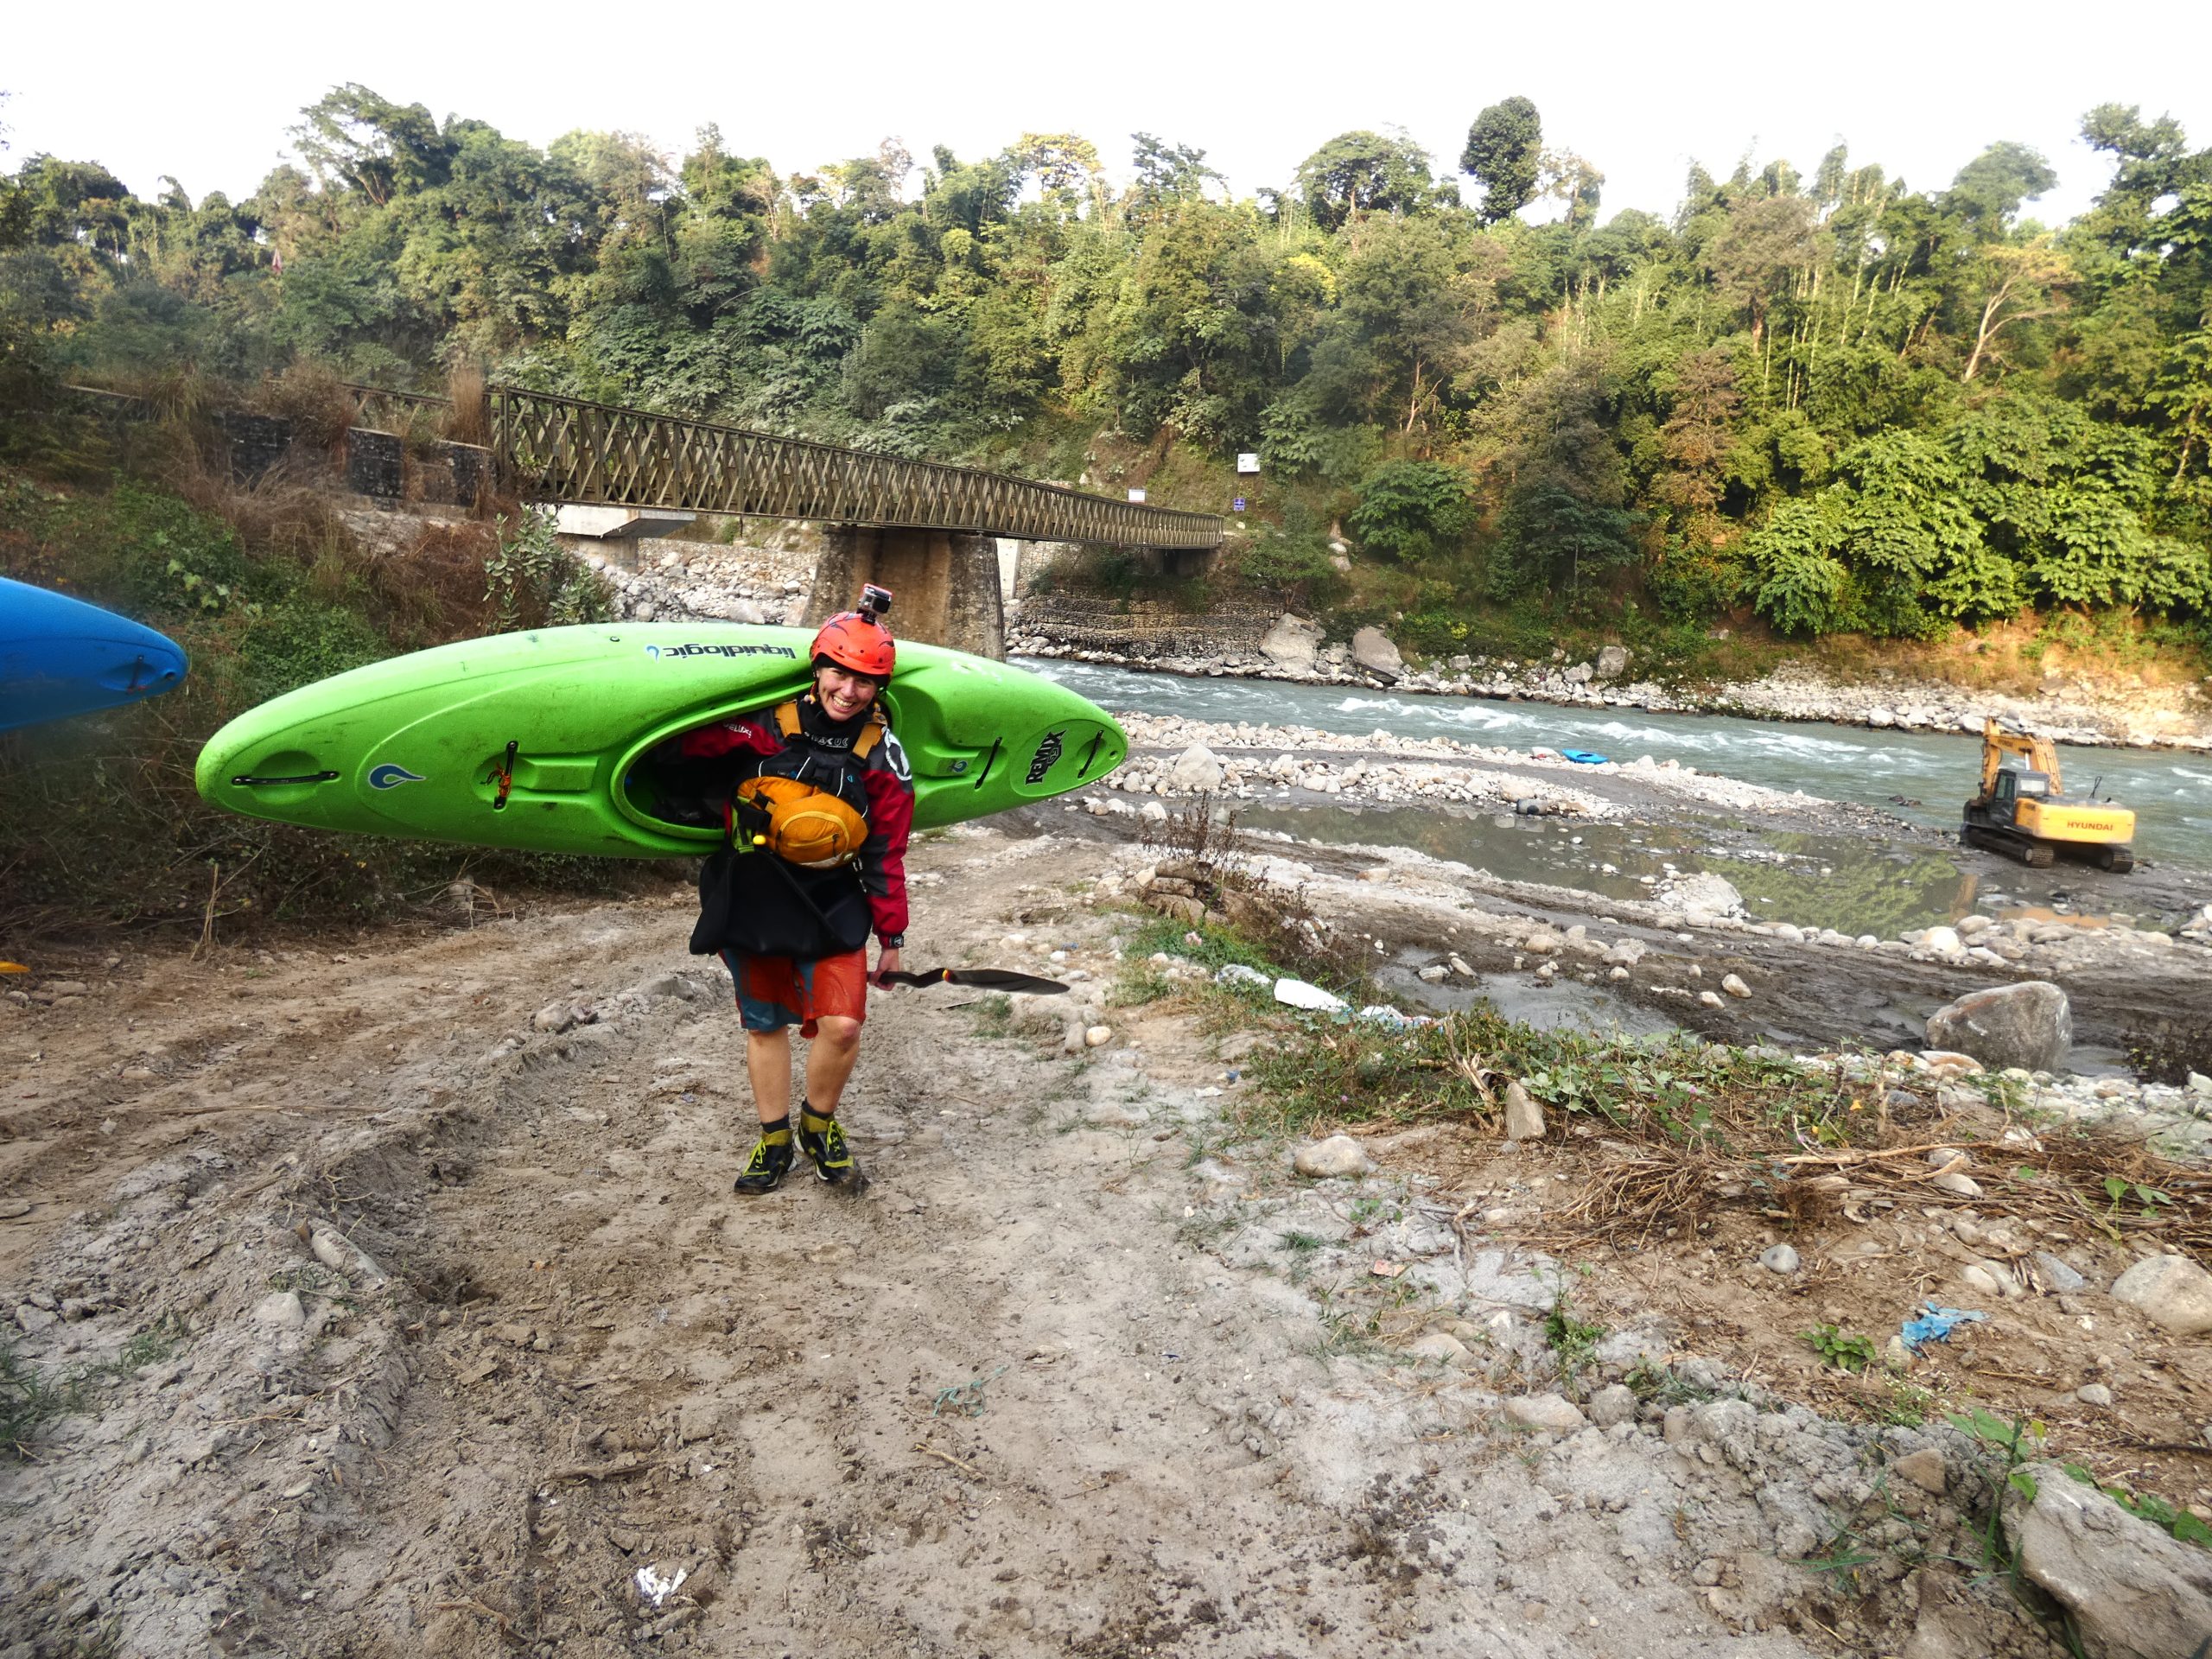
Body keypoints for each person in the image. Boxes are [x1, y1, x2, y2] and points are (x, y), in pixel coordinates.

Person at [672, 600, 913, 1193]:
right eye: (840, 673)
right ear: (818, 668)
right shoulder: (756, 725)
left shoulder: (884, 756)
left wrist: (893, 937)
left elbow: (886, 850)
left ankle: (818, 1125)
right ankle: (773, 1139)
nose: (850, 691)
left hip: (832, 896)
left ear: (880, 687)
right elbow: (671, 753)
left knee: (843, 1025)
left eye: (865, 681)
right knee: (765, 1024)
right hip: (755, 890)